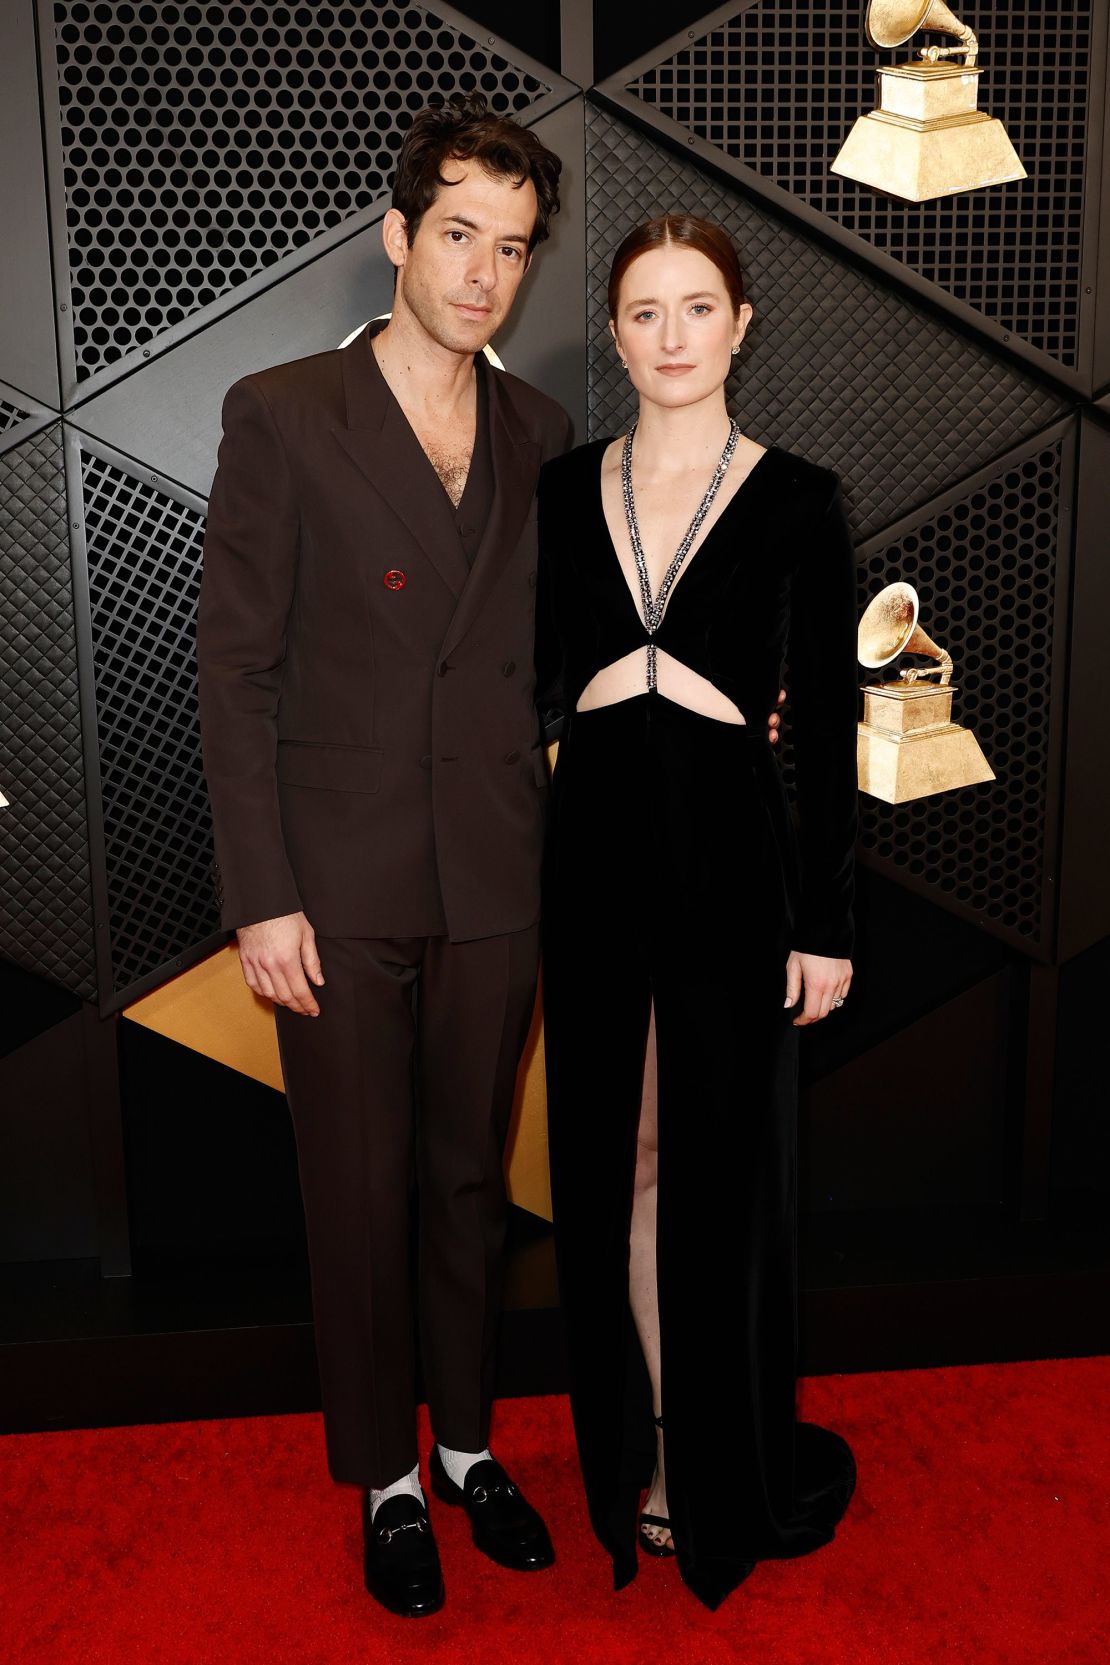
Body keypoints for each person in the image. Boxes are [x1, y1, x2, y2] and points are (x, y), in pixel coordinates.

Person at [197, 95, 572, 1619]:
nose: (484, 272)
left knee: (466, 1180)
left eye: (514, 247)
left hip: (495, 871)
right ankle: (390, 1479)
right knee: (356, 1190)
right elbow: (236, 669)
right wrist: (260, 891)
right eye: (460, 235)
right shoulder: (281, 409)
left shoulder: (547, 434)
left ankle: (473, 1442)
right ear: (398, 238)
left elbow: (557, 662)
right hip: (333, 888)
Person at [535, 214, 859, 1611]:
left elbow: (830, 725)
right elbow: (522, 679)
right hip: (593, 855)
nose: (670, 335)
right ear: (612, 333)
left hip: (732, 864)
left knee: (713, 1171)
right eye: (643, 312)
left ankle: (723, 1459)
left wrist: (825, 922)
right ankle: (649, 1450)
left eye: (696, 307)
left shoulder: (798, 498)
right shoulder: (558, 490)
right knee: (621, 1160)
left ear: (740, 324)